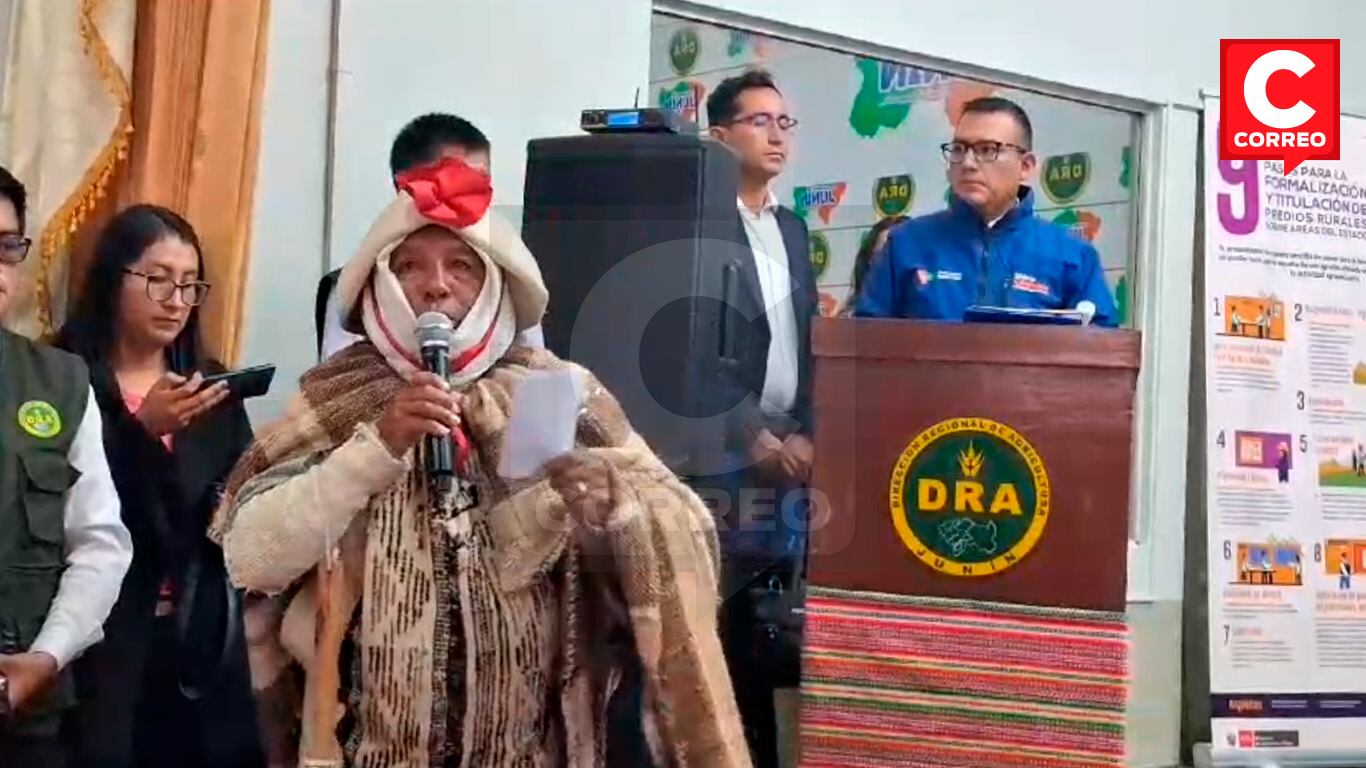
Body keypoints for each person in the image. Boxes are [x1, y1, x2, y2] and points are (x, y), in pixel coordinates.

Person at [212, 156, 749, 767]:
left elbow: (682, 527)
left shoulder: (560, 388)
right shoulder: (335, 396)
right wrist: (375, 447)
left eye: (461, 266)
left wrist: (613, 513)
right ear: (378, 284)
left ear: (496, 283)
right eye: (410, 266)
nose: (435, 286)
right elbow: (251, 558)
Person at [55, 205, 263, 768]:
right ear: (112, 277)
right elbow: (59, 508)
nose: (176, 300)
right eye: (158, 279)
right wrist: (139, 433)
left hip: (199, 637)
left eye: (190, 284)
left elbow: (240, 503)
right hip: (98, 642)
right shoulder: (62, 378)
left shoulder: (209, 388)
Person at [0, 165, 132, 767]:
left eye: (7, 247)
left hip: (24, 714)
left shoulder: (58, 383)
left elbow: (100, 542)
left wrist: (46, 656)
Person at [704, 68, 817, 768]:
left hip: (789, 456)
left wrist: (806, 432)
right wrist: (756, 434)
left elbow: (807, 339)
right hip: (720, 453)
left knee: (772, 626)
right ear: (720, 138)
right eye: (759, 121)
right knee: (722, 625)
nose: (777, 135)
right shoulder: (699, 226)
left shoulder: (792, 228)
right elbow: (692, 349)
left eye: (784, 122)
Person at [854, 97, 1118, 326]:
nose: (968, 163)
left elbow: (1101, 350)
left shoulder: (1072, 256)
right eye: (959, 149)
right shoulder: (906, 243)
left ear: (1025, 166)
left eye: (987, 150)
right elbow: (868, 344)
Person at [316, 112, 543, 360]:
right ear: (405, 189)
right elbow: (339, 375)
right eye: (456, 180)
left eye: (479, 184)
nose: (438, 285)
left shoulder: (511, 281)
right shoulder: (358, 290)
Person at [841, 214, 907, 316]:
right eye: (886, 253)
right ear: (869, 261)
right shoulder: (850, 318)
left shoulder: (930, 312)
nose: (895, 262)